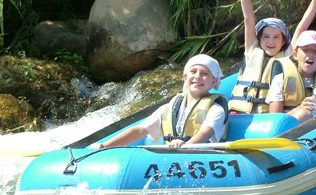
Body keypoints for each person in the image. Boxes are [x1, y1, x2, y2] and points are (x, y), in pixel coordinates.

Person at [228, 0, 316, 113]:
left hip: (266, 116)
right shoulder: (252, 50)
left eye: (276, 37)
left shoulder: (288, 55)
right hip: (239, 113)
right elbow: (248, 18)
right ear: (259, 39)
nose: (270, 41)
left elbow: (302, 25)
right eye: (266, 37)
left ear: (283, 41)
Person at [95, 55, 228, 149]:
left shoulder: (215, 109)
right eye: (193, 71)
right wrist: (104, 145)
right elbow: (139, 130)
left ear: (214, 81)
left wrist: (184, 147)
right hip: (174, 157)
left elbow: (205, 133)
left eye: (204, 73)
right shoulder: (168, 109)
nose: (197, 76)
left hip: (202, 158)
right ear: (185, 77)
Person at [266, 30, 316, 123]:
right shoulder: (280, 79)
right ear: (295, 55)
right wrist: (300, 108)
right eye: (305, 50)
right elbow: (275, 119)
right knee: (304, 112)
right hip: (290, 127)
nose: (310, 54)